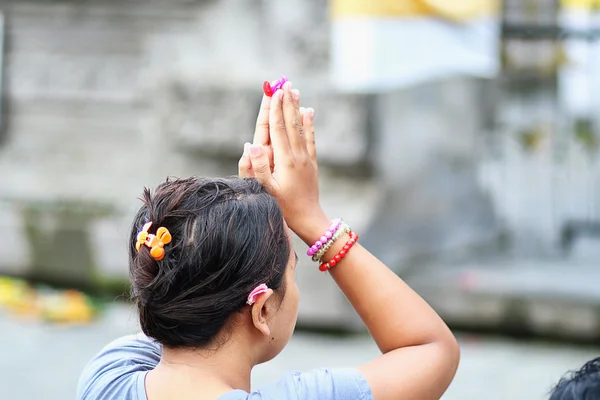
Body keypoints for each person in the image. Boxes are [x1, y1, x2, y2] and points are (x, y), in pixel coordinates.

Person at [77, 81, 460, 400]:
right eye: (292, 270)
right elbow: (432, 350)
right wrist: (314, 223)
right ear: (261, 311)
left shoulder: (106, 377)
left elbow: (180, 289)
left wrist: (236, 216)